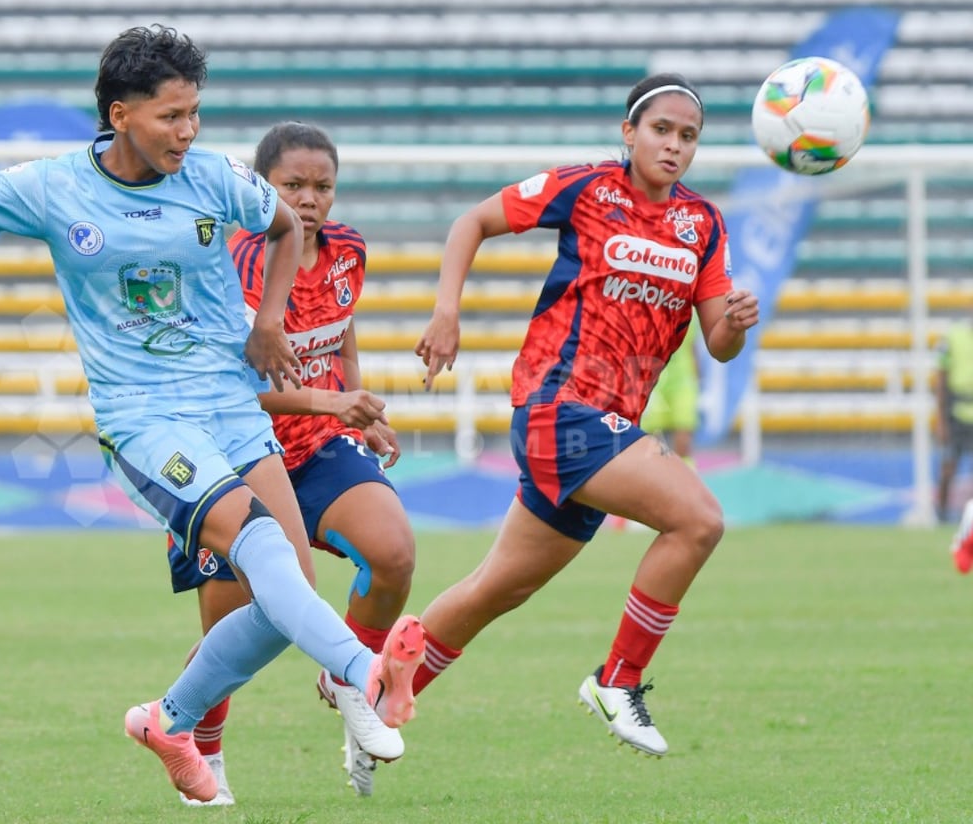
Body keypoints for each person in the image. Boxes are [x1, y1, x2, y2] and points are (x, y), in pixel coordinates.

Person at [0, 25, 425, 803]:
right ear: (120, 114)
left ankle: (169, 718)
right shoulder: (52, 186)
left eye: (194, 114)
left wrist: (269, 323)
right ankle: (365, 671)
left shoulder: (216, 178)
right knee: (264, 553)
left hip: (229, 405)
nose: (188, 132)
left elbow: (284, 228)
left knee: (284, 585)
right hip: (145, 420)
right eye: (171, 116)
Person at [410, 73, 760, 758]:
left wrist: (738, 323)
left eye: (689, 136)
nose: (675, 145)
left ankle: (377, 693)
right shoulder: (588, 190)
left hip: (601, 426)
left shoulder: (702, 223)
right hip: (558, 406)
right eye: (662, 129)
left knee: (495, 590)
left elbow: (719, 344)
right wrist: (446, 310)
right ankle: (617, 680)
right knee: (699, 519)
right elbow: (472, 221)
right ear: (629, 133)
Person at [166, 122, 416, 804]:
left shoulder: (347, 251)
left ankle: (346, 677)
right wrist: (336, 402)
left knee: (392, 553)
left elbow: (342, 327)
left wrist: (363, 409)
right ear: (259, 187)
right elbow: (243, 386)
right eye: (292, 186)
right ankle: (202, 752)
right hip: (232, 457)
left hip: (313, 452)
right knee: (235, 636)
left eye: (323, 186)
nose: (310, 199)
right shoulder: (237, 260)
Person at [641, 318, 700, 464]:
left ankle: (685, 481)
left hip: (683, 380)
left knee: (683, 438)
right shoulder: (653, 307)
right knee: (651, 441)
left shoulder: (692, 311)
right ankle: (653, 480)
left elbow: (693, 346)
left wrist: (697, 376)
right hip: (655, 381)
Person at [935, 320, 973, 527]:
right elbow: (941, 376)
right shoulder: (953, 337)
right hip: (956, 413)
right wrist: (941, 418)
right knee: (948, 466)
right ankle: (940, 514)